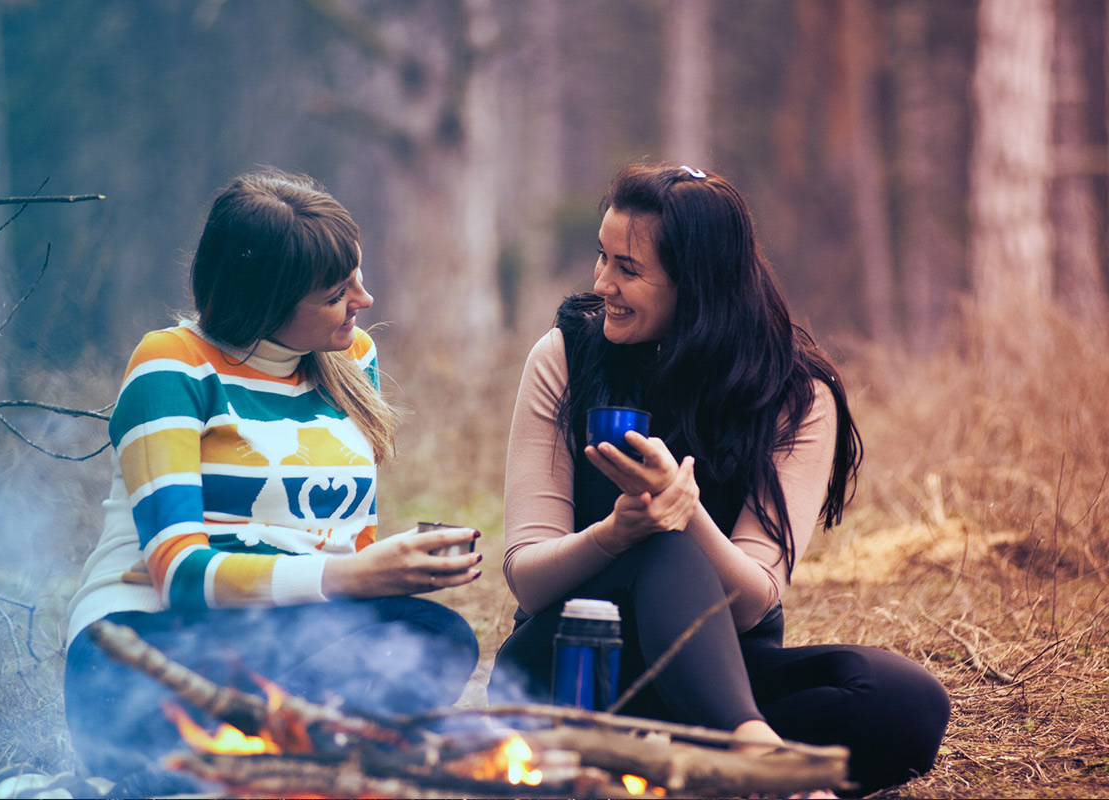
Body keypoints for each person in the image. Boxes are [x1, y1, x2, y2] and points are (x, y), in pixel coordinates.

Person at [488, 163, 950, 795]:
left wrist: (687, 511)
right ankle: (756, 758)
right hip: (569, 667)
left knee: (905, 701)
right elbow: (529, 577)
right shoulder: (565, 358)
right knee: (659, 547)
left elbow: (756, 597)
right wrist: (617, 533)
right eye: (603, 258)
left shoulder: (797, 394)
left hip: (718, 668)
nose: (603, 283)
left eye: (628, 268)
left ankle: (687, 760)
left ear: (697, 283)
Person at [64, 170, 482, 796]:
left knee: (436, 637)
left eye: (358, 278)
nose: (364, 300)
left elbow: (347, 540)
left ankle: (288, 770)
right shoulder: (172, 365)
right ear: (265, 301)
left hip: (282, 638)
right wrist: (351, 578)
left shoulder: (351, 357)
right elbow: (178, 576)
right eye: (339, 292)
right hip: (144, 651)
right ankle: (190, 769)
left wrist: (386, 572)